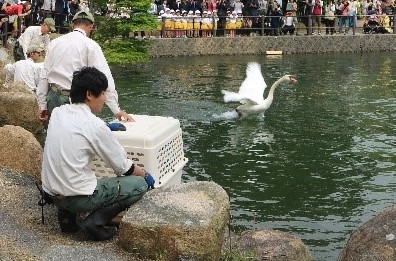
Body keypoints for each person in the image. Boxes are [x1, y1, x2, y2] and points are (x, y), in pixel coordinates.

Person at [41, 66, 155, 241]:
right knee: (138, 185)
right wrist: (146, 176)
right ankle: (95, 222)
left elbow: (76, 131)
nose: (105, 98)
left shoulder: (58, 112)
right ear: (89, 94)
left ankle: (67, 220)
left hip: (51, 193)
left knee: (70, 171)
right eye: (102, 93)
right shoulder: (94, 125)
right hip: (76, 198)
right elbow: (124, 168)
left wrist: (105, 128)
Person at [36, 10, 133, 125]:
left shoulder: (55, 43)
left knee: (55, 135)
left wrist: (42, 105)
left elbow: (44, 76)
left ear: (73, 24)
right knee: (78, 138)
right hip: (75, 101)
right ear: (91, 26)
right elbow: (105, 78)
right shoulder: (90, 45)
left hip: (53, 97)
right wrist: (116, 110)